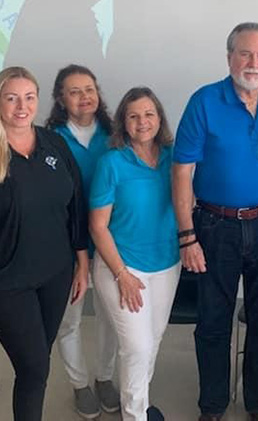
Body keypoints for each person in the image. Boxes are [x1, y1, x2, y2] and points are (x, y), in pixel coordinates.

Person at [0, 66, 88, 421]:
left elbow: (76, 203)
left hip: (55, 274)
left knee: (38, 361)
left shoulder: (53, 143)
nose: (21, 107)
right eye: (11, 98)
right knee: (34, 368)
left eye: (29, 97)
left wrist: (82, 260)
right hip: (1, 282)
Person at [173, 22, 258, 421]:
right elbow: (181, 171)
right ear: (229, 58)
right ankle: (213, 405)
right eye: (245, 53)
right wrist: (187, 235)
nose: (253, 63)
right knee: (213, 321)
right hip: (213, 226)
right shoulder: (204, 101)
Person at [89, 86, 177, 421]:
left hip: (167, 264)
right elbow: (98, 226)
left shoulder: (174, 157)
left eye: (149, 114)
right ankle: (135, 414)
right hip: (122, 266)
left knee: (151, 342)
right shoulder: (112, 162)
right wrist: (122, 274)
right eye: (134, 116)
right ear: (123, 123)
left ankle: (138, 403)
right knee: (137, 347)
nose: (142, 122)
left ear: (160, 118)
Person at [45, 64, 120, 419]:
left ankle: (105, 378)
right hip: (65, 247)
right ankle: (80, 386)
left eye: (89, 89)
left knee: (110, 318)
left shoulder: (116, 135)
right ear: (61, 98)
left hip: (110, 244)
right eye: (74, 91)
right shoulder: (49, 139)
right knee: (69, 321)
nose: (84, 97)